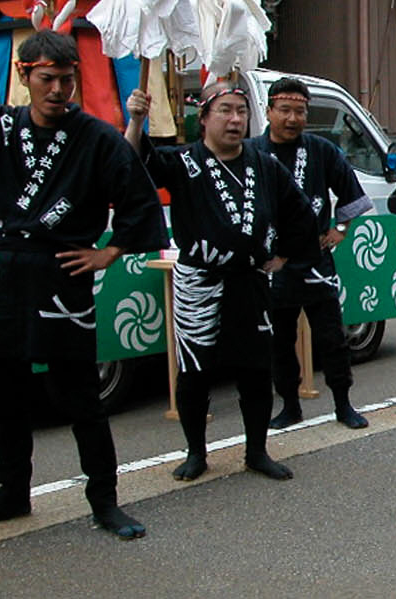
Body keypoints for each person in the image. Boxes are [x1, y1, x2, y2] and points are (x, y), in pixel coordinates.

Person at [0, 32, 167, 540]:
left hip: (63, 277)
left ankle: (105, 500)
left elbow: (140, 201)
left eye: (67, 80)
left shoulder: (95, 137)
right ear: (24, 75)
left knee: (81, 396)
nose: (58, 90)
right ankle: (11, 493)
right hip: (6, 275)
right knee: (5, 392)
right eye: (47, 79)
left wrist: (109, 251)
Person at [125, 82, 319, 482]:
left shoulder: (264, 163)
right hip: (199, 282)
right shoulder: (183, 162)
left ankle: (256, 451)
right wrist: (137, 120)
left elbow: (300, 212)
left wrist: (283, 256)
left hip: (249, 281)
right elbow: (131, 163)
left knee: (254, 369)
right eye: (226, 111)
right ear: (205, 118)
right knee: (194, 372)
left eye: (242, 112)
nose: (235, 120)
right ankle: (196, 452)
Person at [247, 77, 374, 431]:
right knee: (279, 342)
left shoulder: (321, 150)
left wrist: (341, 231)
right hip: (273, 267)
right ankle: (289, 405)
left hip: (316, 262)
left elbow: (351, 194)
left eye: (300, 111)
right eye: (284, 110)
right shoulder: (251, 153)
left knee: (332, 339)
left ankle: (343, 404)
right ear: (269, 111)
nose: (292, 118)